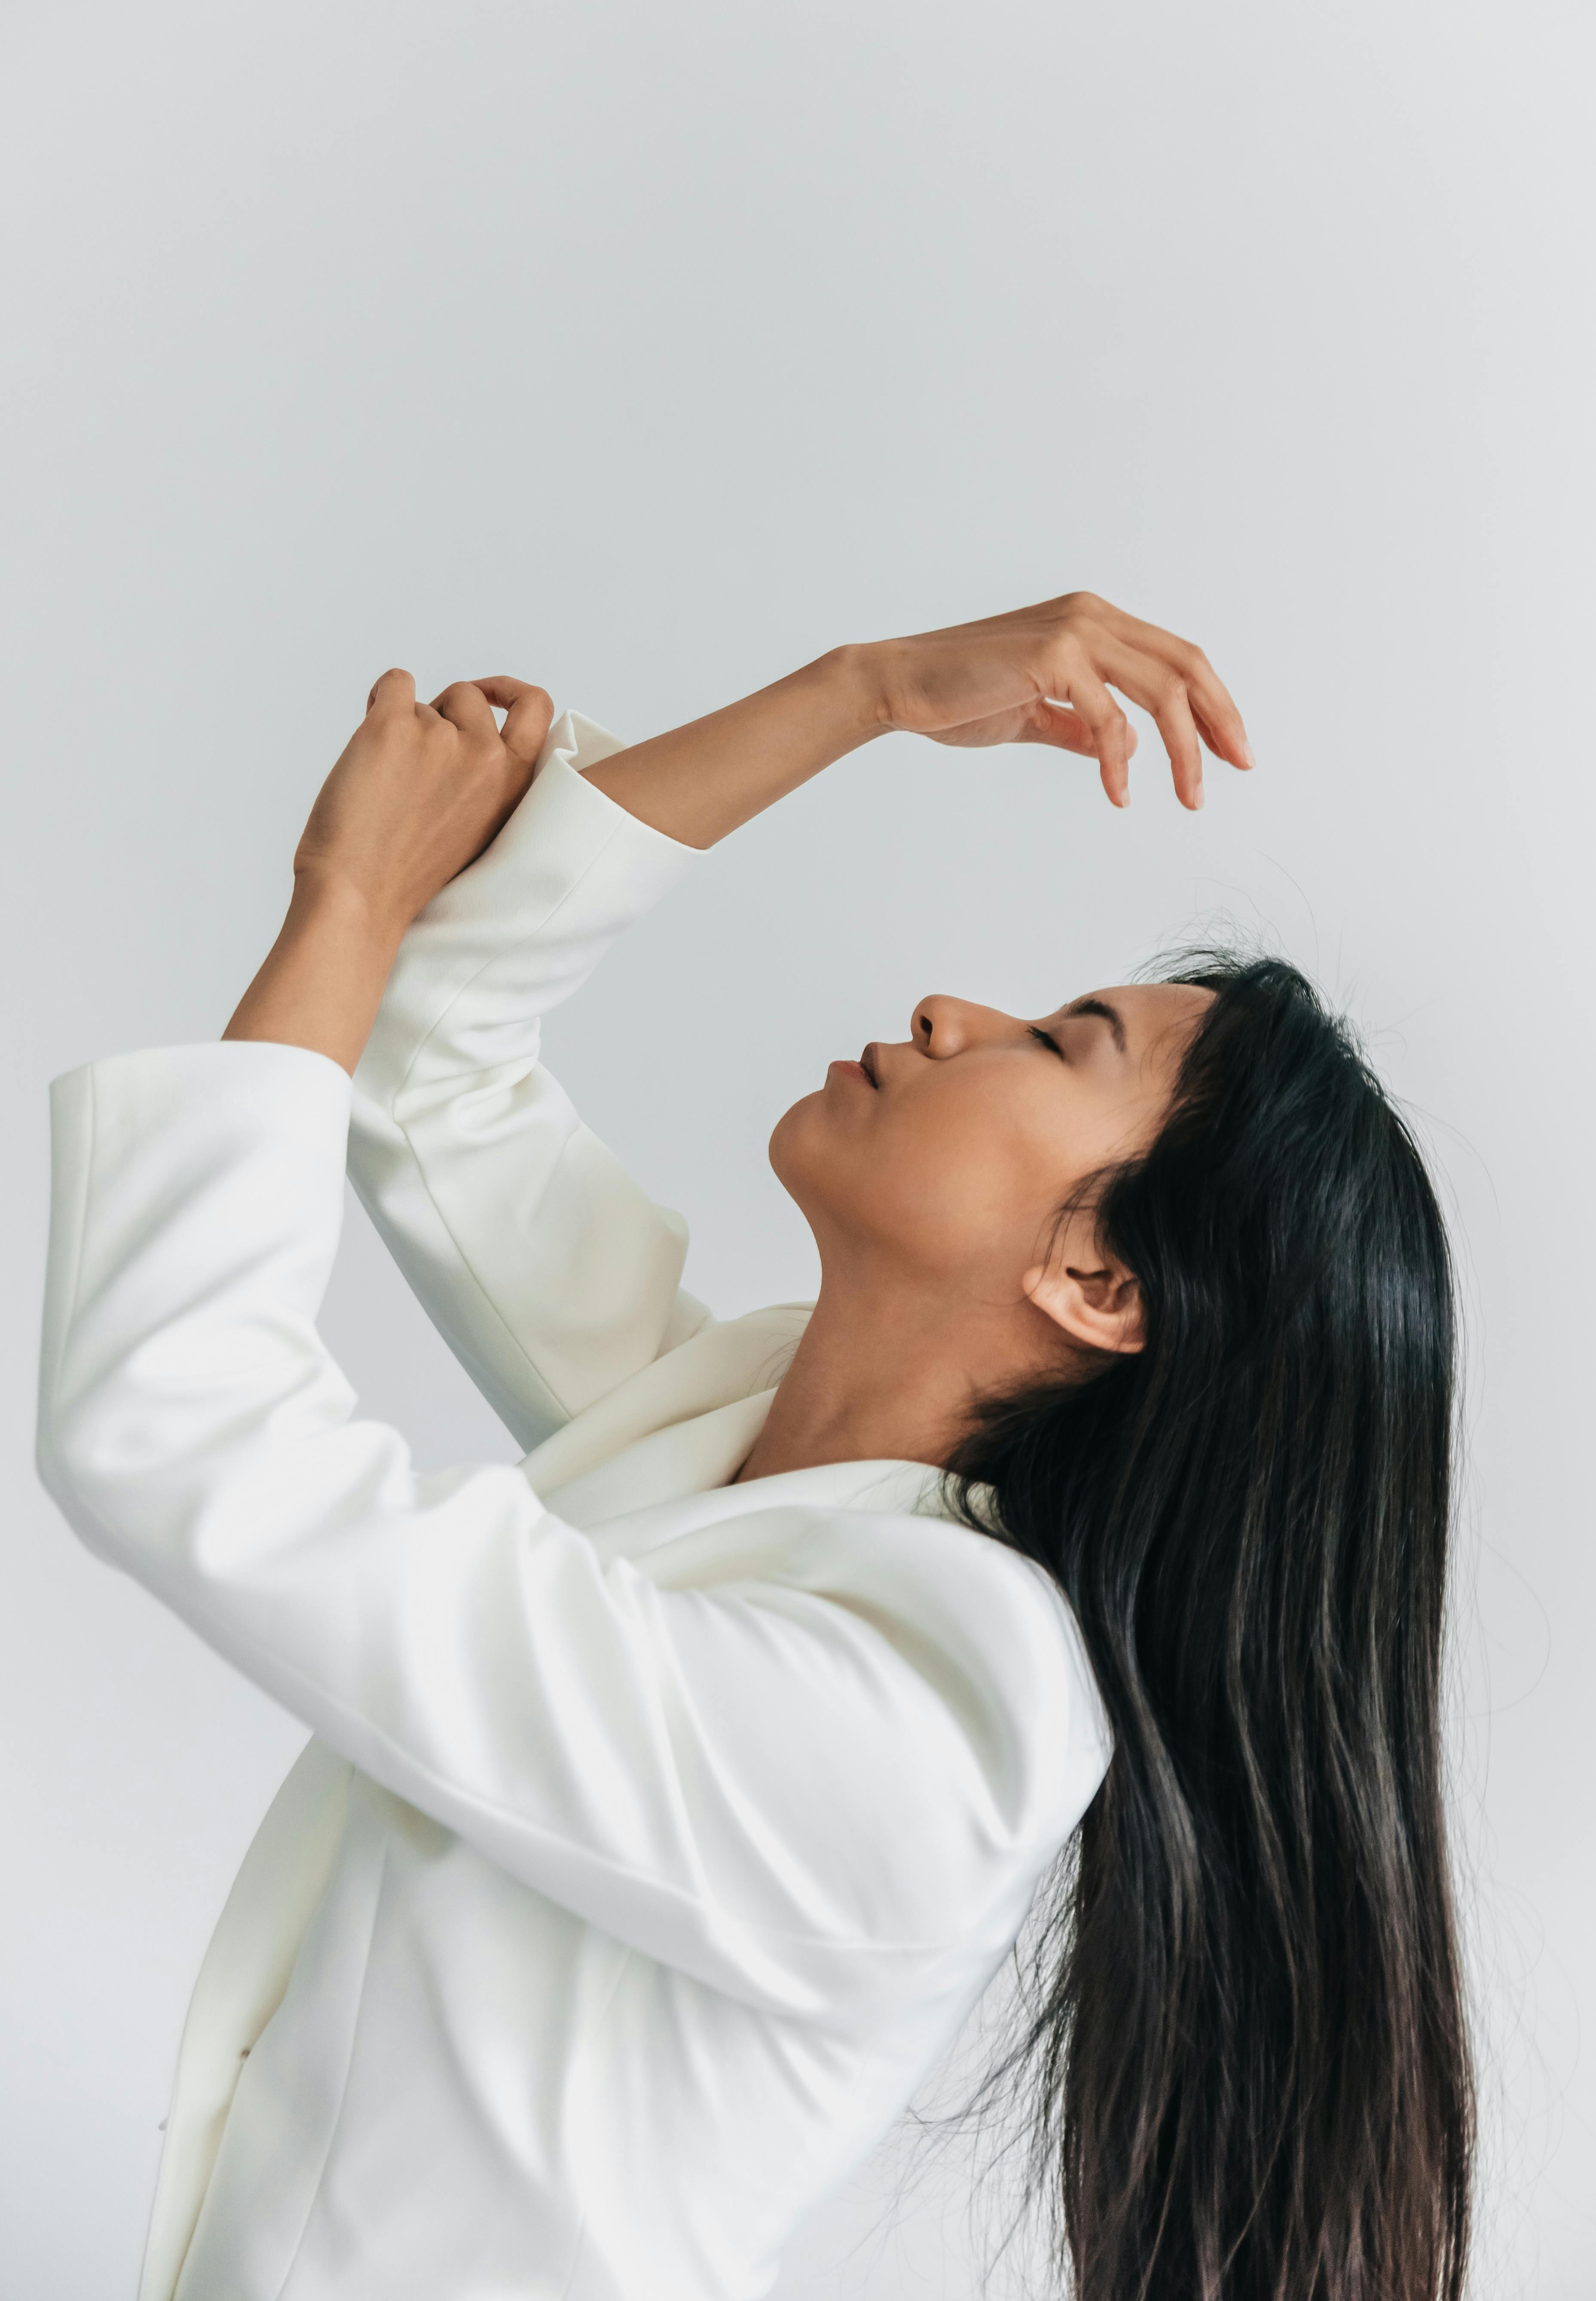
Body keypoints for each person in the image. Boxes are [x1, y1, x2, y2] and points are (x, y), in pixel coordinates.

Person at [37, 595, 1473, 2301]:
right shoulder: (748, 1428)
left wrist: (345, 899)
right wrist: (863, 691)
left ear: (1099, 1276)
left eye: (1053, 1042)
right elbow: (432, 1059)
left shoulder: (945, 1720)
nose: (952, 1007)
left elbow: (183, 1426)